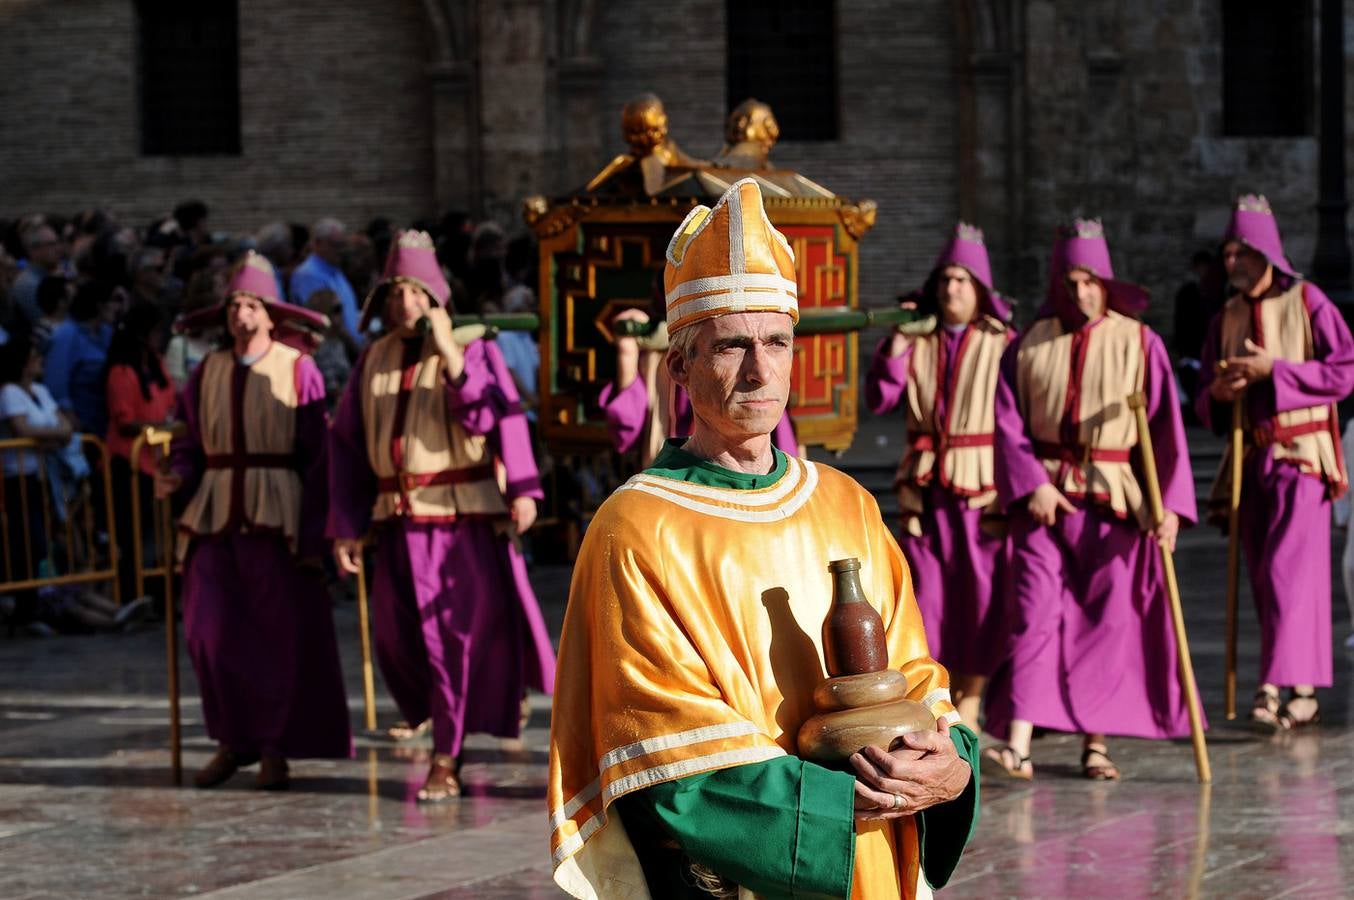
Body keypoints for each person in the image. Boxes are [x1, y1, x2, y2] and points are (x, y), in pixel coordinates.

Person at [548, 179, 977, 899]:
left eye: (777, 341)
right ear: (679, 366)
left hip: (873, 852)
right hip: (748, 871)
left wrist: (950, 760)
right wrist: (831, 806)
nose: (759, 370)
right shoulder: (635, 528)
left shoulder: (845, 501)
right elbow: (658, 744)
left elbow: (913, 673)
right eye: (732, 346)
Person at [328, 230, 555, 802]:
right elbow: (347, 446)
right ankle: (440, 725)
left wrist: (522, 489)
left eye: (415, 292)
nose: (405, 303)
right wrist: (346, 526)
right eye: (395, 292)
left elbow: (493, 417)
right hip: (396, 522)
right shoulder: (373, 357)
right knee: (397, 641)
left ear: (435, 296)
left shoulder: (473, 348)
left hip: (457, 522)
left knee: (448, 641)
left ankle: (445, 758)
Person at [982, 219, 1198, 781]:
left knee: (1106, 621)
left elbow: (1166, 431)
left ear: (1105, 283)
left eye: (1089, 281)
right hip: (1045, 499)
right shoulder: (1028, 344)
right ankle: (1018, 744)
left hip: (1113, 500)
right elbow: (1007, 422)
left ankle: (1095, 744)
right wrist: (1033, 483)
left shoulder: (1141, 343)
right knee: (1033, 614)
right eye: (1070, 281)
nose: (1079, 292)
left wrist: (1170, 507)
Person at [155, 251, 351, 790]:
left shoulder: (298, 368)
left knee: (275, 637)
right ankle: (232, 738)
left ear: (270, 313)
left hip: (277, 516)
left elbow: (318, 456)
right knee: (208, 632)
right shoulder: (206, 371)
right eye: (233, 305)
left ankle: (272, 747)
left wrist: (316, 533)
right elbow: (190, 440)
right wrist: (177, 474)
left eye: (251, 305)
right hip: (214, 513)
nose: (240, 314)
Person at [1196, 195, 1354, 730]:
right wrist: (1219, 392)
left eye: (1242, 252)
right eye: (1228, 253)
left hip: (1301, 456)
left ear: (1266, 252)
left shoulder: (1309, 302)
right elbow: (1206, 397)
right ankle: (1301, 690)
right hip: (1251, 460)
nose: (1232, 262)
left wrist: (1276, 370)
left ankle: (1272, 686)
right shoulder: (1226, 317)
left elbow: (1344, 371)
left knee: (1289, 571)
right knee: (1268, 577)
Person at [864, 223, 1014, 731]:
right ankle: (935, 696)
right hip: (925, 491)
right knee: (926, 598)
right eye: (946, 279)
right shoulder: (917, 338)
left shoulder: (1002, 342)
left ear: (980, 289)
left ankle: (973, 698)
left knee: (982, 596)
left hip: (982, 490)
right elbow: (881, 398)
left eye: (962, 280)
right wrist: (898, 343)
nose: (952, 289)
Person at [104, 302, 176, 607]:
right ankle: (133, 594)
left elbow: (171, 401)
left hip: (159, 462)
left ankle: (161, 594)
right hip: (130, 463)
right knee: (134, 533)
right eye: (156, 331)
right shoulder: (121, 371)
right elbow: (125, 422)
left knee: (161, 530)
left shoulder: (157, 364)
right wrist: (159, 427)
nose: (161, 336)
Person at [44, 280, 126, 437]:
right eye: (114, 301)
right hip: (82, 424)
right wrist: (72, 421)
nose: (118, 307)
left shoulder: (107, 333)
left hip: (108, 420)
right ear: (99, 304)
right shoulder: (66, 334)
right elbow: (56, 384)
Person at [290, 218, 361, 354]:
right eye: (336, 245)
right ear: (318, 243)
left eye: (343, 245)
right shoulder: (309, 274)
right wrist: (357, 351)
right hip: (330, 353)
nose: (341, 250)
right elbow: (327, 320)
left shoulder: (335, 269)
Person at [11, 223, 64, 325]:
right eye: (51, 244)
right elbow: (50, 325)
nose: (59, 249)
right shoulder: (28, 284)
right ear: (33, 250)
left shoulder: (46, 277)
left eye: (58, 242)